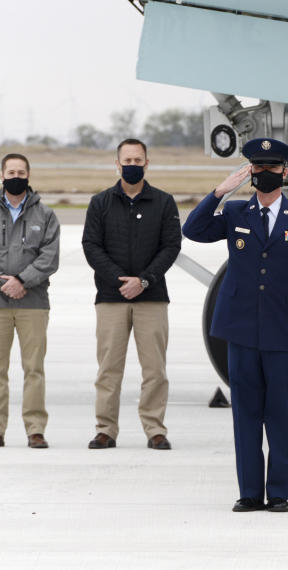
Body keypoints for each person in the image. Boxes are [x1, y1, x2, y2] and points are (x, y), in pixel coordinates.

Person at [182, 137, 288, 513]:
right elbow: (193, 230)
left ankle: (278, 493)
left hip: (284, 332)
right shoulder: (235, 212)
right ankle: (249, 493)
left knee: (280, 413)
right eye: (258, 168)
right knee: (245, 414)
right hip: (242, 330)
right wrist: (218, 192)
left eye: (272, 167)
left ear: (284, 171)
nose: (265, 174)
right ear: (250, 171)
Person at [81, 139, 182, 450]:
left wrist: (145, 281)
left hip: (152, 298)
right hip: (111, 299)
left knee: (155, 369)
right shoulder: (100, 203)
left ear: (147, 164)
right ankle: (105, 430)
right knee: (108, 368)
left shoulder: (164, 203)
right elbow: (91, 246)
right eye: (127, 160)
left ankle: (155, 430)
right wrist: (117, 279)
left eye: (138, 160)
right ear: (117, 163)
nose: (133, 165)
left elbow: (171, 246)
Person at [0, 153, 60, 448]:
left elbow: (50, 257)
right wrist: (4, 283)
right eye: (11, 171)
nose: (16, 175)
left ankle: (35, 429)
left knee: (33, 368)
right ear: (1, 176)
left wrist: (23, 280)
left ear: (28, 175)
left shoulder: (46, 215)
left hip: (33, 302)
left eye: (21, 171)